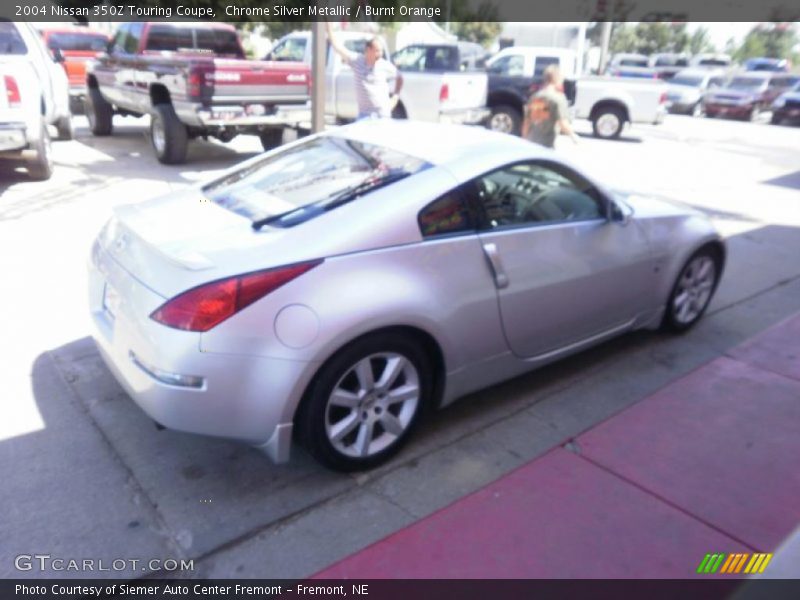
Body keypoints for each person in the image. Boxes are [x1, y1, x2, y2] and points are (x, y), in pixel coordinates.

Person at [325, 22, 403, 120]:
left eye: (381, 51)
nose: (380, 54)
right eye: (377, 51)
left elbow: (400, 77)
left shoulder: (384, 65)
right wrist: (329, 28)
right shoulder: (357, 61)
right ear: (368, 50)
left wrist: (395, 97)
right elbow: (338, 47)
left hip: (382, 114)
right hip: (364, 115)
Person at [521, 65, 578, 148]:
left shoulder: (535, 97)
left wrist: (524, 139)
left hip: (532, 142)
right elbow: (562, 123)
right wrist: (573, 136)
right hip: (547, 144)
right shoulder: (558, 98)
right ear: (557, 79)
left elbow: (527, 122)